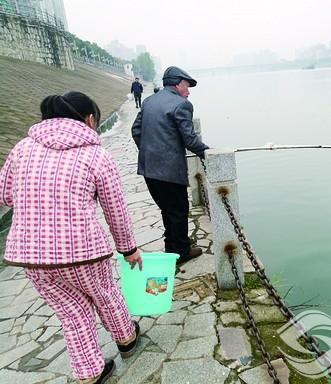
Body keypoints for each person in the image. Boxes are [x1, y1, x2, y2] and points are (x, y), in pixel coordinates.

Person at [0, 92, 143, 384]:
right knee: (105, 294)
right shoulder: (96, 154)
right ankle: (126, 338)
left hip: (31, 256)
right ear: (89, 119)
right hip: (83, 251)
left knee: (72, 312)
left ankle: (89, 374)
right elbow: (115, 208)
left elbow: (5, 195)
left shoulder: (22, 149)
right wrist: (128, 249)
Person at [132, 66, 208, 264]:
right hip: (169, 171)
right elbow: (190, 140)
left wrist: (150, 152)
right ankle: (182, 252)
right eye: (187, 85)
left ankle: (172, 247)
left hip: (149, 169)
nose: (188, 91)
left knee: (167, 209)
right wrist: (208, 152)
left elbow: (136, 130)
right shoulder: (182, 104)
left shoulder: (148, 101)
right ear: (177, 84)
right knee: (179, 210)